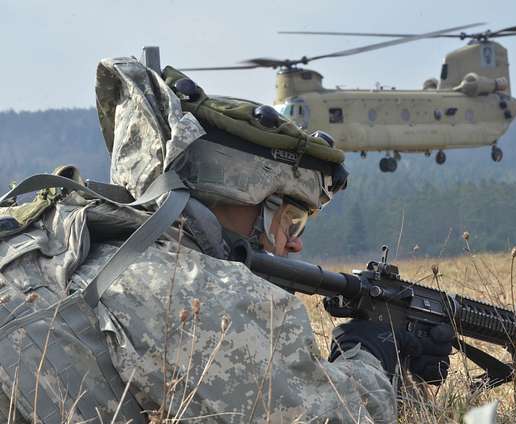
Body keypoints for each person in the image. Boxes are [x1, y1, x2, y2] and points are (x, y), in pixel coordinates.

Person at [0, 57, 453, 423]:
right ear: (237, 202)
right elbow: (321, 418)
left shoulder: (66, 238)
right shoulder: (196, 288)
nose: (294, 244)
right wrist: (372, 358)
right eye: (290, 218)